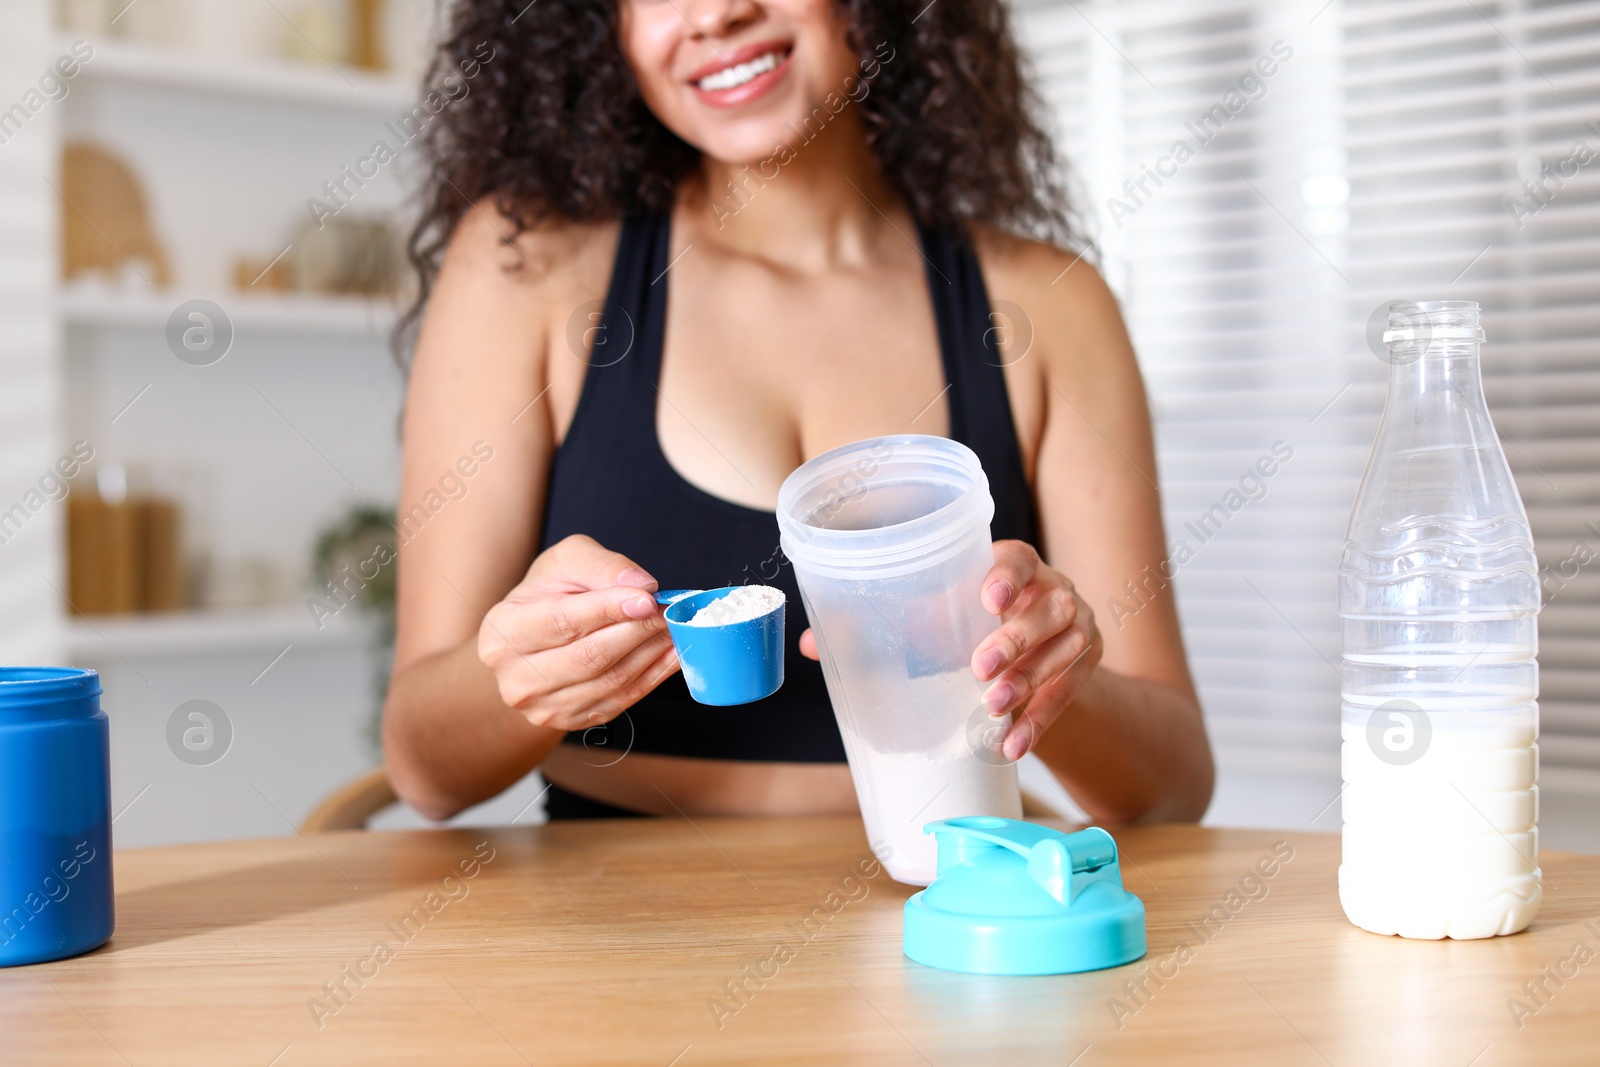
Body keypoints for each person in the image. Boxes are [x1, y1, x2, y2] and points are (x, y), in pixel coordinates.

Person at [382, 0, 1214, 825]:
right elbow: (424, 767)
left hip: (948, 911)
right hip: (609, 938)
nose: (714, 15)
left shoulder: (1049, 307)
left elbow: (1172, 789)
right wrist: (522, 675)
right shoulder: (524, 268)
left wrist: (1051, 674)